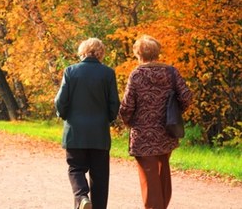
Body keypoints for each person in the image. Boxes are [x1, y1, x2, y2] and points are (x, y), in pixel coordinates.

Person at [119, 35, 192, 209]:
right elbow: (187, 96)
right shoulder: (171, 72)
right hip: (167, 132)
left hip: (143, 135)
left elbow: (127, 105)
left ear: (139, 54)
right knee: (162, 173)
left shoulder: (137, 74)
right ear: (157, 52)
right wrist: (174, 112)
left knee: (149, 177)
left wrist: (127, 121)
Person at [54, 38, 120, 209]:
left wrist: (63, 115)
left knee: (75, 168)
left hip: (75, 132)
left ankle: (82, 196)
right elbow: (114, 103)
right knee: (100, 176)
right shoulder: (108, 73)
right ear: (101, 53)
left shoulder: (70, 71)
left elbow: (61, 101)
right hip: (99, 133)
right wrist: (109, 118)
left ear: (82, 52)